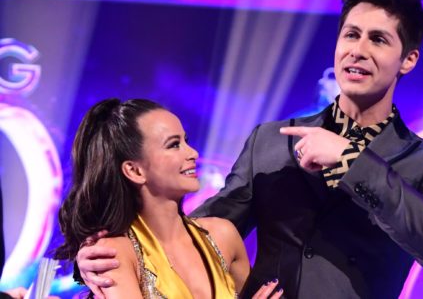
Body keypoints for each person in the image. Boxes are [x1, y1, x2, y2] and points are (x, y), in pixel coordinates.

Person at [76, 0, 423, 298]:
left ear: (408, 59)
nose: (358, 51)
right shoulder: (271, 140)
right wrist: (114, 254)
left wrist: (352, 162)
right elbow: (200, 234)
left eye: (378, 40)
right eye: (351, 35)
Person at [55, 98, 283, 298]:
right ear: (135, 171)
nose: (192, 153)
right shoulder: (113, 254)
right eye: (174, 145)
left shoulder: (224, 235)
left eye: (186, 140)